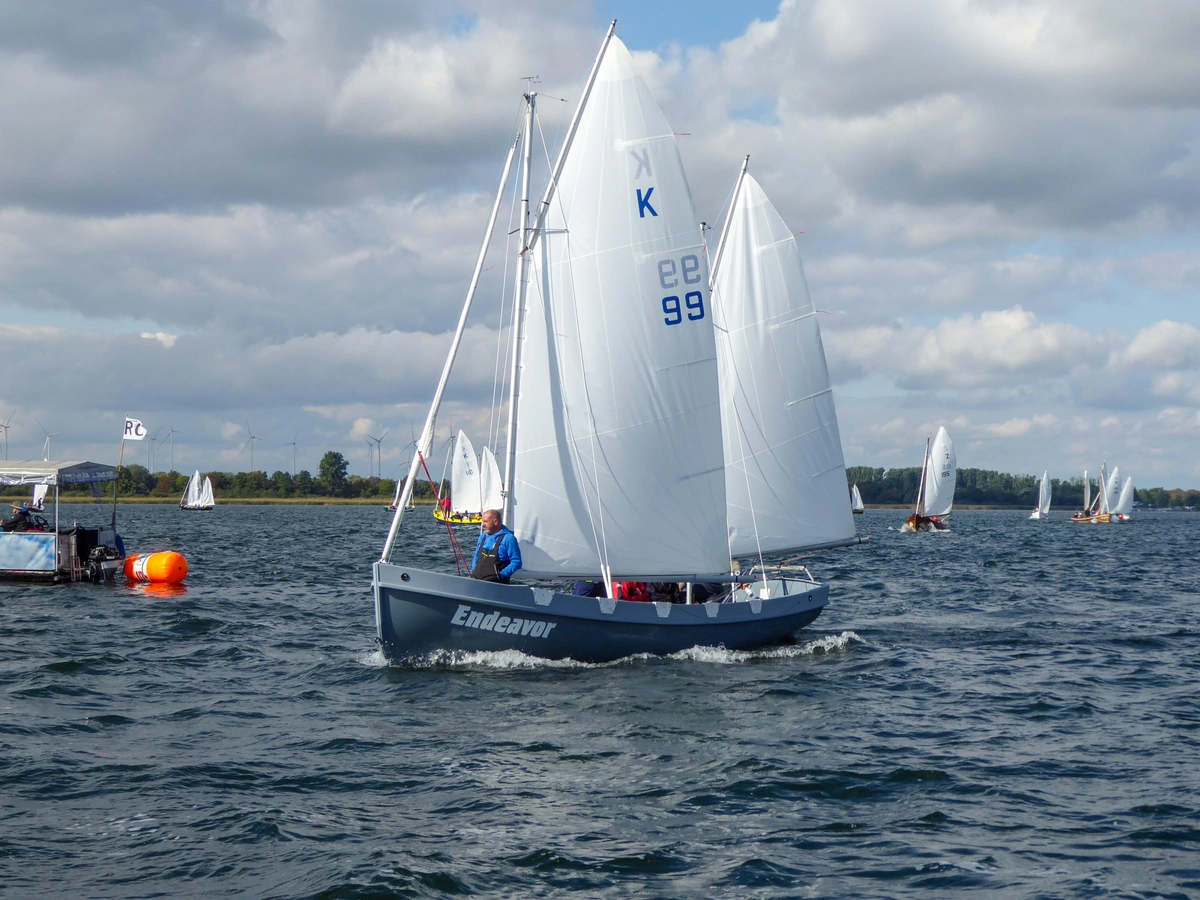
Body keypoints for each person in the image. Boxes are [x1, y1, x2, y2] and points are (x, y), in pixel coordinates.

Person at [471, 508, 522, 583]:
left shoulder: (508, 539)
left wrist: (500, 575)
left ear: (495, 522)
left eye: (485, 522)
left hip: (498, 585)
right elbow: (476, 556)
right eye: (482, 521)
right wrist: (474, 570)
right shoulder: (483, 537)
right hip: (479, 583)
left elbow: (517, 562)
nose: (483, 525)